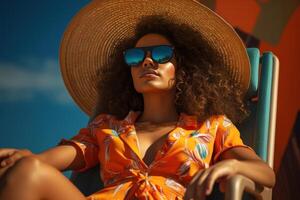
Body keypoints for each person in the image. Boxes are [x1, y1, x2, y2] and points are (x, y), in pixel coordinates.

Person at [0, 0, 275, 199]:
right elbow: (46, 162)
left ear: (183, 68)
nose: (146, 62)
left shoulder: (211, 126)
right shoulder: (107, 127)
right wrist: (23, 158)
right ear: (128, 71)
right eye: (136, 56)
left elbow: (266, 174)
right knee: (27, 171)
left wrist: (231, 165)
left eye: (161, 54)